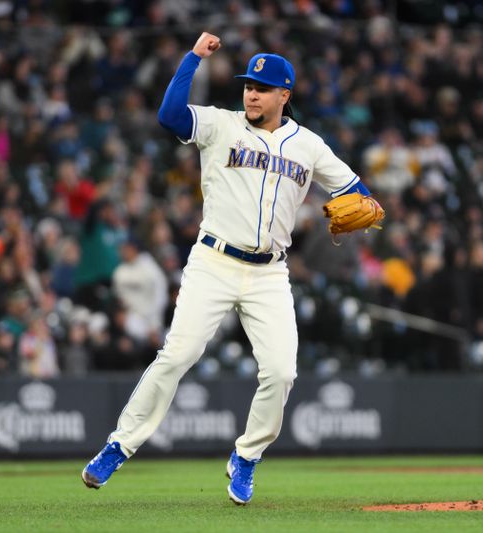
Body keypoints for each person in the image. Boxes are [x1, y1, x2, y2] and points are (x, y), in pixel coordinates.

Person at [82, 32, 378, 505]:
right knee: (176, 356)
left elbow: (355, 190)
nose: (252, 93)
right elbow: (170, 115)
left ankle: (246, 457)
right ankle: (119, 446)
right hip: (213, 261)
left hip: (269, 274)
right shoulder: (221, 125)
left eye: (262, 87)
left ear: (285, 95)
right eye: (248, 86)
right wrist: (193, 58)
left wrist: (362, 202)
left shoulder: (309, 146)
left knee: (281, 372)